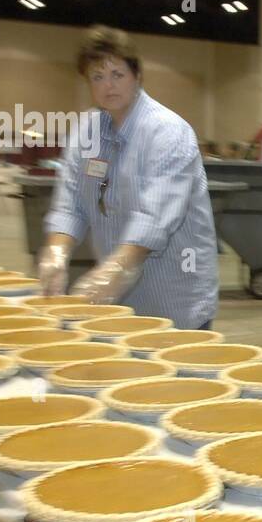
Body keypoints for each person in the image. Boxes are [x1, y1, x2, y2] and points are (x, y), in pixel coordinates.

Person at [39, 25, 217, 329]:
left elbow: (154, 217)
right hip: (117, 300)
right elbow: (71, 204)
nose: (108, 85)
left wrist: (117, 268)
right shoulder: (86, 133)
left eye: (117, 74)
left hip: (173, 300)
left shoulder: (168, 132)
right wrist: (57, 251)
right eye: (97, 77)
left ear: (137, 76)